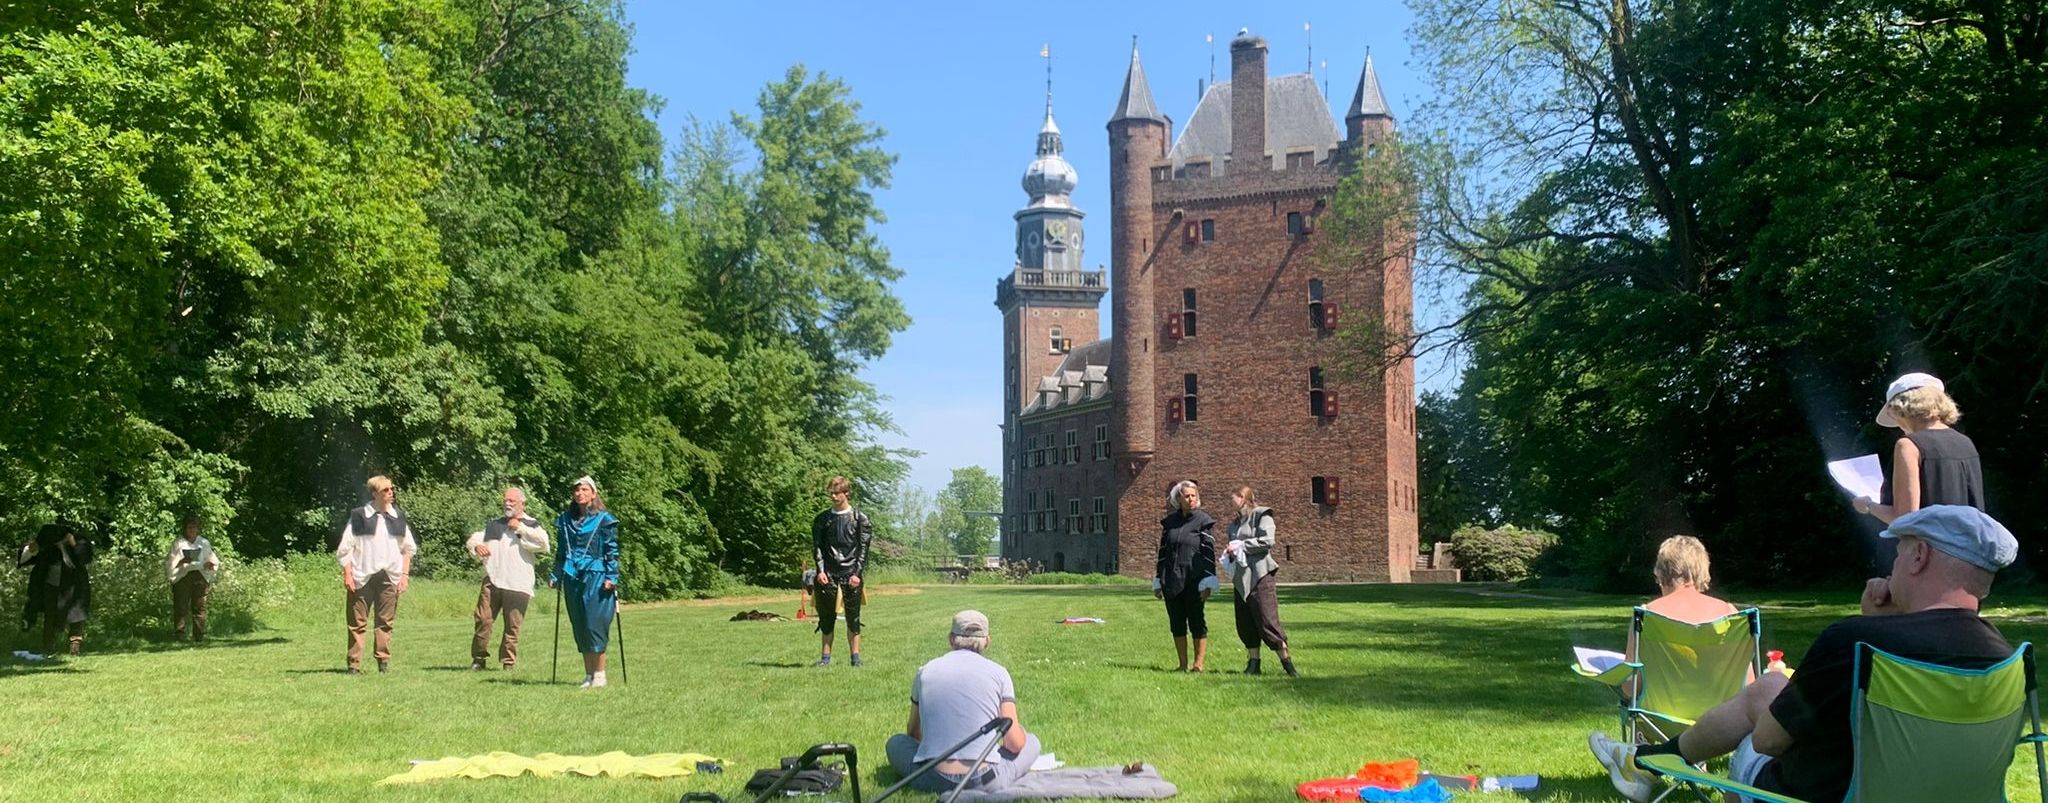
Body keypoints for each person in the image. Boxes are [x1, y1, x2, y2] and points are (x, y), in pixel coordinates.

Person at [1589, 505, 2018, 803]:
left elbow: (1769, 740)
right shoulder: (2006, 659)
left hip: (1827, 797)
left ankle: (1644, 762)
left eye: (1899, 551)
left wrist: (1869, 625)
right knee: (1770, 686)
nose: (1892, 565)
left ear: (1920, 556)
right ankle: (1643, 762)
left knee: (1765, 704)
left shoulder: (1854, 642)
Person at [886, 610, 1042, 794]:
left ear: (951, 639)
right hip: (986, 780)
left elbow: (912, 732)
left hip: (932, 778)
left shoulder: (925, 671)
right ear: (987, 641)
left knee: (895, 743)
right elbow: (1014, 743)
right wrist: (1021, 733)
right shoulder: (999, 673)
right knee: (1032, 742)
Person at [1854, 372, 1985, 524]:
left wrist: (1868, 505)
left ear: (1899, 409)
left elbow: (1905, 517)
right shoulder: (1965, 443)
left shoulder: (1909, 446)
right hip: (1968, 544)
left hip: (1928, 546)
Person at [336, 475, 418, 674]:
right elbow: (345, 549)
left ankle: (383, 662)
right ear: (375, 493)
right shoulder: (359, 516)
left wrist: (404, 575)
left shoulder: (397, 517)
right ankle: (354, 665)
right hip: (362, 575)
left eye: (392, 489)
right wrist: (348, 574)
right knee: (357, 622)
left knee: (385, 622)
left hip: (389, 576)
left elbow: (408, 549)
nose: (391, 493)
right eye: (386, 490)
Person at [467, 486, 548, 671]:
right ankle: (479, 659)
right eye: (505, 500)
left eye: (512, 500)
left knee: (512, 626)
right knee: (483, 619)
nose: (507, 503)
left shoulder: (532, 524)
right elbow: (473, 539)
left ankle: (508, 663)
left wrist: (520, 528)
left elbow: (543, 544)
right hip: (493, 579)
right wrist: (477, 546)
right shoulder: (495, 524)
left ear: (522, 503)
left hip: (518, 582)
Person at [552, 475, 619, 688]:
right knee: (580, 624)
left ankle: (600, 674)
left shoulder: (604, 519)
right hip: (573, 576)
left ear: (593, 493)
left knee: (595, 624)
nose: (580, 493)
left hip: (596, 576)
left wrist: (612, 576)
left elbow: (612, 550)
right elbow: (561, 552)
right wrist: (556, 575)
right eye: (576, 490)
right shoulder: (565, 520)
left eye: (584, 490)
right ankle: (588, 675)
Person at [1224, 486, 1295, 677]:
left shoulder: (1262, 516)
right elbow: (1234, 546)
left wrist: (1243, 545)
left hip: (1260, 576)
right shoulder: (1234, 524)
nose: (1231, 502)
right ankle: (1254, 663)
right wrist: (1230, 552)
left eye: (1234, 498)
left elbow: (1267, 541)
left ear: (1242, 498)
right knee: (1245, 622)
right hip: (1241, 578)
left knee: (1267, 620)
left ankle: (1287, 663)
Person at [1153, 480, 1218, 672]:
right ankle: (1182, 664)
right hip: (1171, 579)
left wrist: (1208, 581)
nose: (1191, 499)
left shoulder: (1203, 521)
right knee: (1177, 622)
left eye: (1193, 496)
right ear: (1178, 499)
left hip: (1194, 579)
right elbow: (1163, 553)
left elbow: (1209, 553)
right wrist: (1158, 580)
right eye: (1187, 496)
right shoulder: (1170, 523)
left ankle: (1198, 664)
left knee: (1197, 621)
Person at [811, 475, 873, 667]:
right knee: (826, 618)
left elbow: (863, 549)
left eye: (837, 493)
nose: (833, 497)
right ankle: (825, 658)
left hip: (851, 573)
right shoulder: (822, 519)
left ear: (846, 493)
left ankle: (855, 659)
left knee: (853, 618)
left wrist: (857, 573)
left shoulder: (860, 519)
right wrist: (820, 570)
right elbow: (818, 546)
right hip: (827, 574)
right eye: (831, 493)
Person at [16, 522, 93, 656]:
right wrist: (32, 548)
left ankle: (75, 646)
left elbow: (85, 557)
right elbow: (24, 558)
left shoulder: (78, 540)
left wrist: (72, 542)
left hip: (75, 584)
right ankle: (48, 647)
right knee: (50, 615)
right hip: (51, 584)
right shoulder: (46, 544)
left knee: (77, 615)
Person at [165, 514, 221, 643]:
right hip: (183, 577)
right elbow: (170, 563)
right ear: (184, 528)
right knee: (181, 607)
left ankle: (199, 636)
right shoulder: (178, 543)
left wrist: (210, 564)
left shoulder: (204, 542)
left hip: (200, 576)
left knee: (199, 607)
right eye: (189, 527)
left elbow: (212, 559)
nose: (191, 530)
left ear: (198, 528)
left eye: (194, 527)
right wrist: (182, 562)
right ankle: (180, 635)